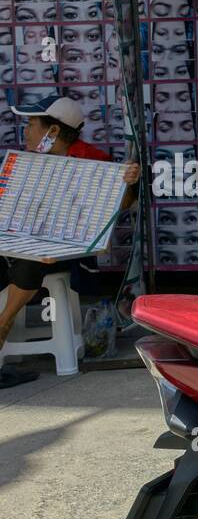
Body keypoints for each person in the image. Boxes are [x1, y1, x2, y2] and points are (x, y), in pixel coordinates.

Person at [0, 95, 140, 388]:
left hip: (67, 254)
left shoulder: (94, 161)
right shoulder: (28, 162)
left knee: (32, 259)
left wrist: (128, 183)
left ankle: (5, 321)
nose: (26, 132)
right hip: (22, 244)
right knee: (22, 256)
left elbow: (121, 205)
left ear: (53, 131)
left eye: (32, 125)